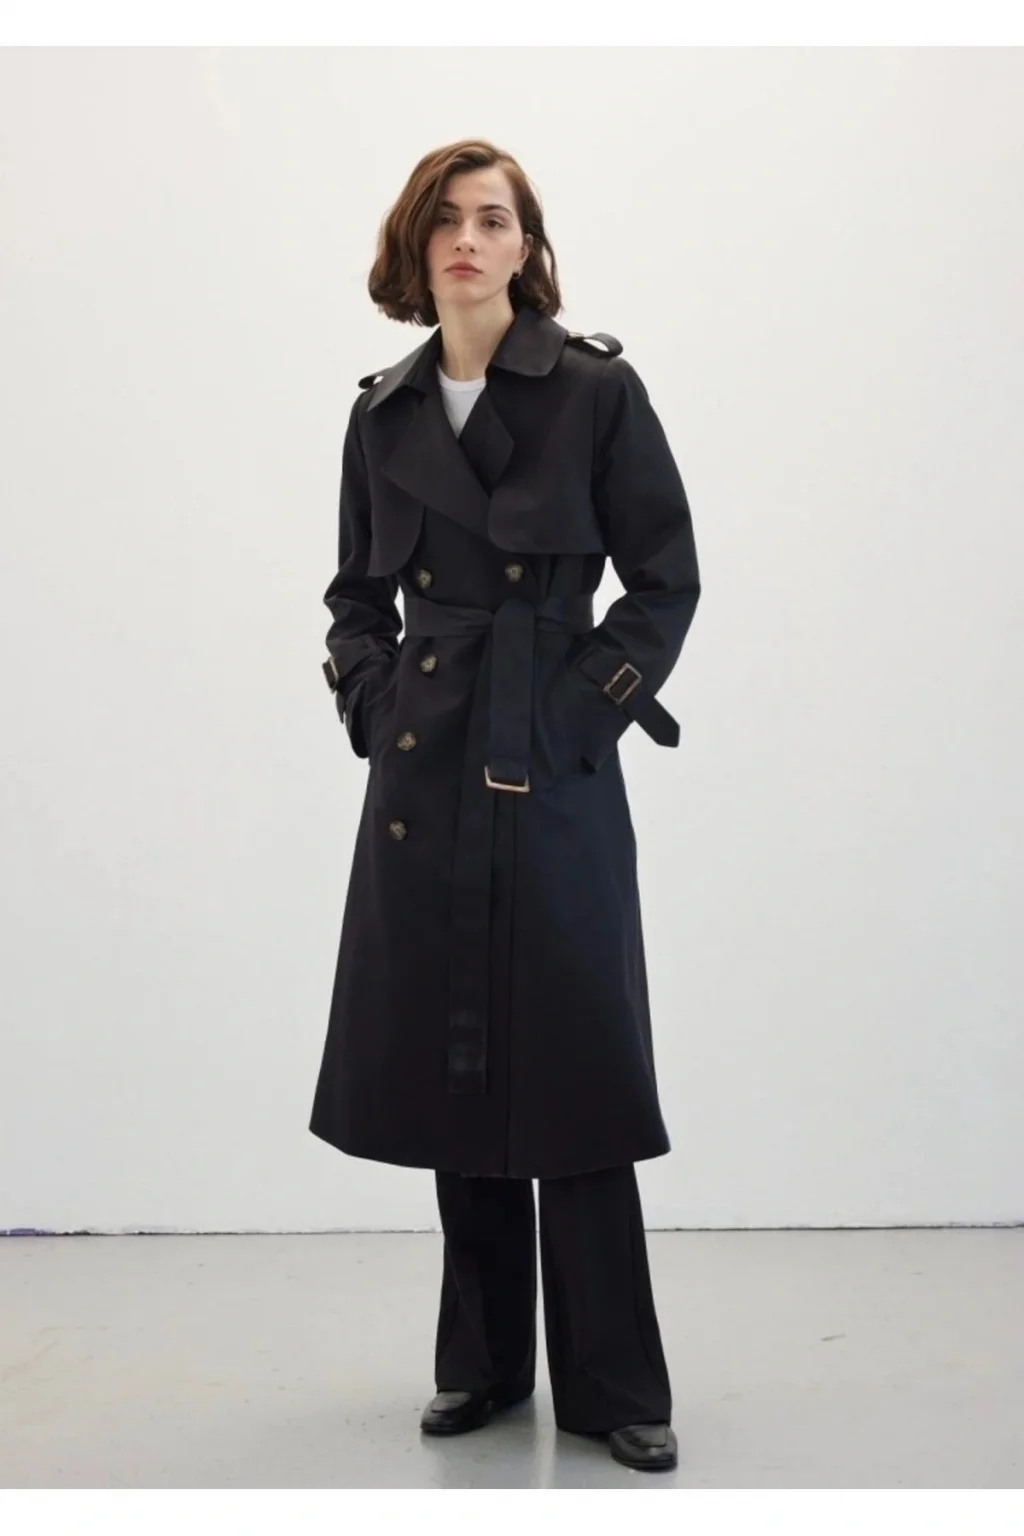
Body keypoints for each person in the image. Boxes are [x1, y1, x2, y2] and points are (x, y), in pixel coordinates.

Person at [310, 138, 701, 1473]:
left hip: (551, 760)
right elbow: (354, 599)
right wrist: (375, 708)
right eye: (446, 221)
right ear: (415, 248)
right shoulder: (381, 414)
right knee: (455, 1060)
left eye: (493, 219)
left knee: (575, 1058)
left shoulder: (595, 390)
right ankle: (479, 1364)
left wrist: (581, 714)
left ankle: (614, 1383)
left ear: (527, 247)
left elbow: (665, 580)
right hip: (426, 771)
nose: (468, 241)